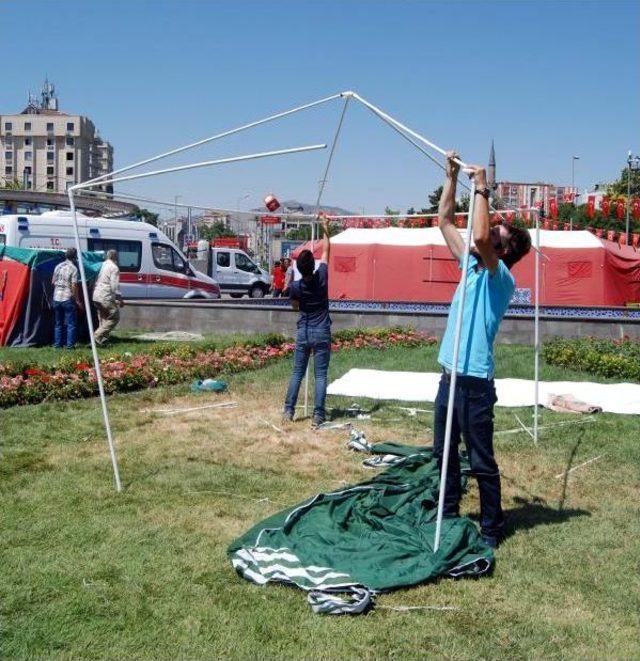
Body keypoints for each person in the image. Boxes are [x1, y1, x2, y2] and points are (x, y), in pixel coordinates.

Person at [433, 151, 531, 549]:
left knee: (481, 460)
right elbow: (443, 221)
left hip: (474, 383)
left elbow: (476, 235)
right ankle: (447, 510)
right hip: (449, 375)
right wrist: (452, 179)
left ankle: (492, 527)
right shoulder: (470, 265)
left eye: (497, 234)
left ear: (503, 250)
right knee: (443, 453)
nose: (490, 233)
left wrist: (483, 188)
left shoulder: (499, 276)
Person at [283, 217, 331, 427]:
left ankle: (288, 411)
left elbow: (295, 307)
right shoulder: (322, 276)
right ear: (313, 265)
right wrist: (326, 228)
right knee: (320, 375)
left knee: (297, 373)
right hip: (322, 331)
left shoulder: (295, 286)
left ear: (299, 268)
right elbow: (328, 250)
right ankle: (318, 415)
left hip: (303, 330)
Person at [51, 247, 82, 349]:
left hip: (56, 297)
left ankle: (57, 345)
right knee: (70, 324)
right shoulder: (73, 268)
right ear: (75, 257)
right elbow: (74, 285)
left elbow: (53, 281)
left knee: (58, 323)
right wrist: (77, 300)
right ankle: (69, 346)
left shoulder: (58, 266)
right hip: (67, 297)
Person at [92, 249, 124, 346]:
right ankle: (96, 336)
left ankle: (102, 340)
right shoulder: (114, 268)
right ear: (115, 257)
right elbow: (114, 285)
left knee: (103, 318)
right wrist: (119, 299)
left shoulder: (102, 265)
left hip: (96, 295)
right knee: (114, 317)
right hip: (105, 295)